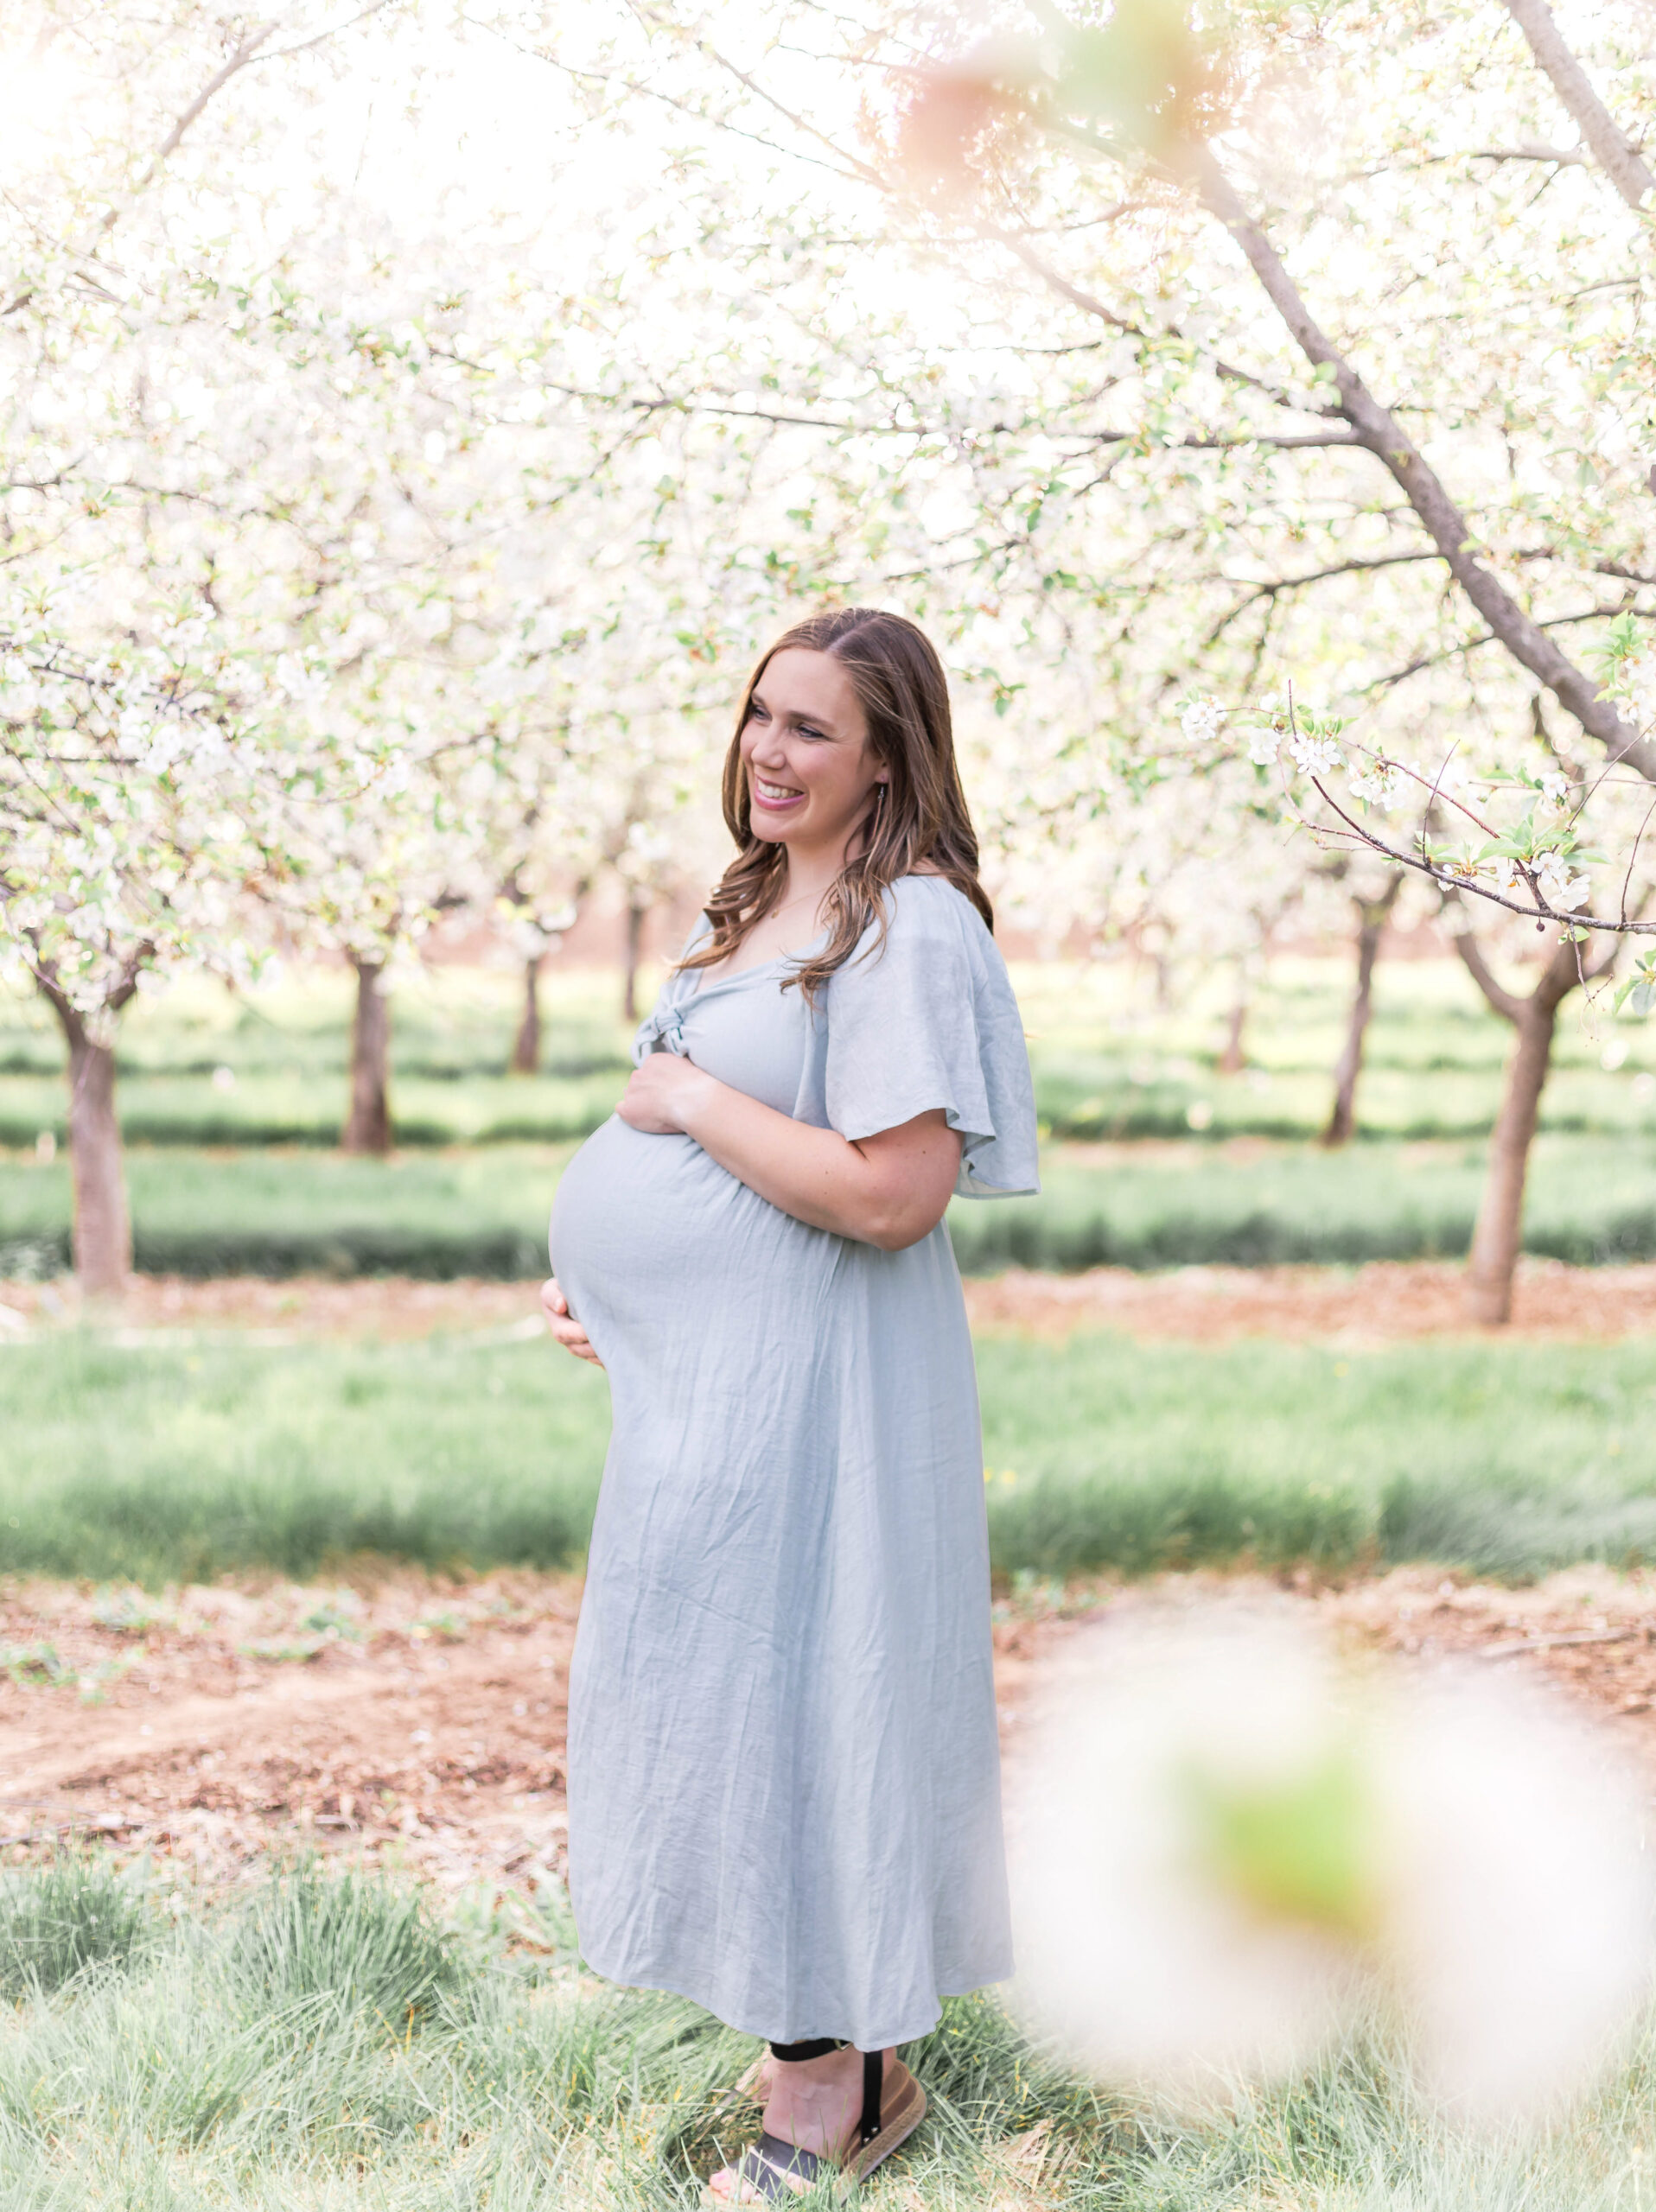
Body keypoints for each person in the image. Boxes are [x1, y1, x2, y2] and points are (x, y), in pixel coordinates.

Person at [541, 606, 1039, 2203]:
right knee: (717, 1705)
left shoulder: (910, 926)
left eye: (813, 727)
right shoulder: (770, 906)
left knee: (807, 1698)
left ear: (892, 750)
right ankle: (800, 2036)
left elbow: (896, 1194)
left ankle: (844, 2078)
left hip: (820, 1418)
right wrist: (625, 1294)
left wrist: (681, 1099)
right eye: (762, 714)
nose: (769, 748)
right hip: (719, 1408)